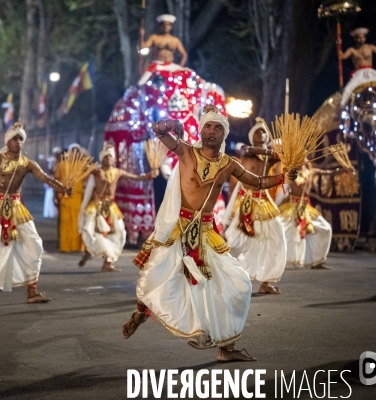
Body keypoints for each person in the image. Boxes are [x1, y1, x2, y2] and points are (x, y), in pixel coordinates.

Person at [122, 107, 298, 362]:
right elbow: (157, 129)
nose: (212, 131)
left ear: (224, 134)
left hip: (206, 233)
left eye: (218, 128)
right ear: (201, 130)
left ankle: (225, 349)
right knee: (155, 279)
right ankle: (140, 314)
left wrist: (283, 177)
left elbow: (258, 182)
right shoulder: (185, 151)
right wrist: (172, 122)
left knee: (237, 283)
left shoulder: (229, 164)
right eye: (208, 126)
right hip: (178, 229)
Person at [0, 122, 72, 302]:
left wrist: (62, 188)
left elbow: (46, 178)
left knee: (34, 245)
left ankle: (32, 292)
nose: (18, 142)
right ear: (8, 141)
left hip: (17, 208)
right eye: (15, 139)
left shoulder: (27, 163)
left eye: (21, 139)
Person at [223, 118, 286, 294]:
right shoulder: (247, 151)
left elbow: (282, 159)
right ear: (252, 136)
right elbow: (245, 149)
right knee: (235, 241)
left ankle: (266, 282)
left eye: (264, 132)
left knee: (277, 238)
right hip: (246, 203)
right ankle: (224, 274)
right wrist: (269, 152)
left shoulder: (270, 157)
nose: (262, 134)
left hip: (264, 201)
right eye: (258, 132)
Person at [78, 144, 158, 272]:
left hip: (111, 207)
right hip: (97, 206)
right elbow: (84, 168)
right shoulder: (97, 171)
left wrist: (150, 175)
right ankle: (89, 252)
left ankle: (107, 263)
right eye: (106, 156)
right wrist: (84, 158)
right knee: (91, 230)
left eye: (111, 156)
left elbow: (136, 177)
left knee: (119, 231)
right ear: (102, 158)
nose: (109, 159)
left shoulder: (117, 172)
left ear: (114, 159)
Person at [276, 162, 353, 269]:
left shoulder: (311, 171)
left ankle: (316, 261)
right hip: (292, 207)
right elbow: (282, 191)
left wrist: (343, 170)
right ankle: (289, 261)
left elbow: (329, 173)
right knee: (289, 231)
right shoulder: (290, 172)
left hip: (306, 208)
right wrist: (275, 207)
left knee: (325, 228)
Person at [340, 27, 376, 106]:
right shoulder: (352, 50)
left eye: (363, 37)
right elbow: (342, 56)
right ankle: (341, 110)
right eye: (359, 38)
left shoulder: (370, 47)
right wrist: (338, 45)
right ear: (355, 39)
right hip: (358, 74)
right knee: (347, 90)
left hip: (371, 73)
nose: (361, 39)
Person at [138, 14, 188, 85]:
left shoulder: (175, 40)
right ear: (160, 26)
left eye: (168, 25)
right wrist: (141, 36)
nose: (166, 27)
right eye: (164, 25)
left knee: (187, 76)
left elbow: (184, 54)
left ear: (171, 27)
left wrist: (180, 67)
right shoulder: (154, 38)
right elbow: (142, 47)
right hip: (156, 65)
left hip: (171, 66)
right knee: (142, 82)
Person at [54, 144, 85, 253]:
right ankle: (65, 246)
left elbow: (88, 181)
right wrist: (56, 196)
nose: (75, 154)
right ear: (70, 152)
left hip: (78, 198)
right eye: (73, 151)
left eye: (78, 152)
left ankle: (77, 246)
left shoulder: (82, 166)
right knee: (65, 222)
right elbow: (56, 181)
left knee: (77, 223)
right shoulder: (62, 165)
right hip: (65, 197)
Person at [43, 147, 61, 219]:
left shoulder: (60, 162)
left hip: (56, 180)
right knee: (50, 195)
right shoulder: (52, 161)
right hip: (51, 180)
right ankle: (50, 212)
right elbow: (49, 171)